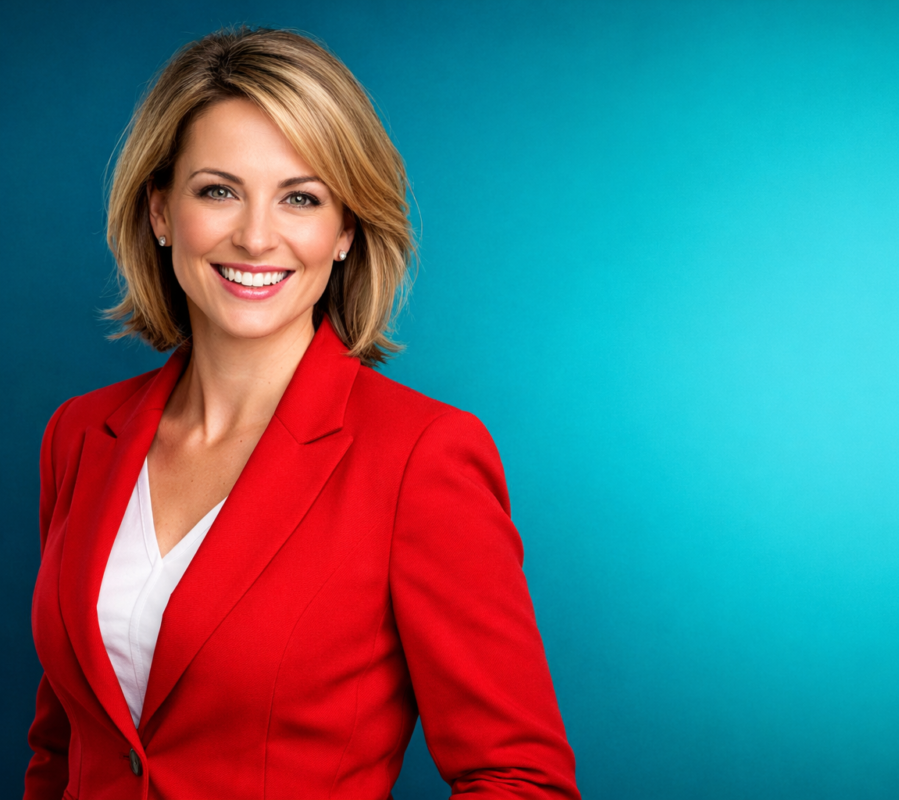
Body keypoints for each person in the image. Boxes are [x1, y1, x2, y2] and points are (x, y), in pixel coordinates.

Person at [25, 26, 580, 800]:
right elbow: (63, 745)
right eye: (218, 190)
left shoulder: (422, 457)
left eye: (301, 198)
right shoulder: (79, 435)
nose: (256, 236)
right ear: (160, 212)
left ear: (345, 229)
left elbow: (521, 779)